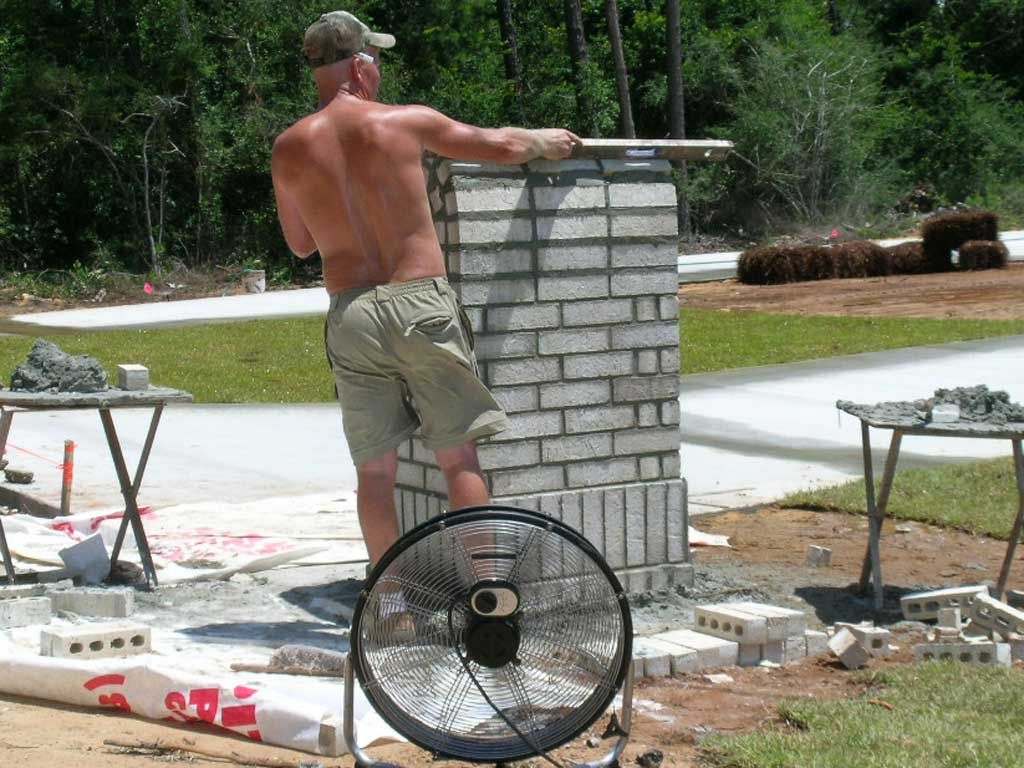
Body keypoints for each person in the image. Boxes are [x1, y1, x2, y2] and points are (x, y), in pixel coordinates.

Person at [271, 11, 581, 567]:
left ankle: (388, 608)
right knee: (457, 457)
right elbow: (499, 146)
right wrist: (542, 139)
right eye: (377, 60)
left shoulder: (288, 147)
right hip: (419, 303)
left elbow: (298, 244)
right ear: (362, 66)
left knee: (374, 471)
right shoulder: (404, 122)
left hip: (352, 313)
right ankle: (489, 593)